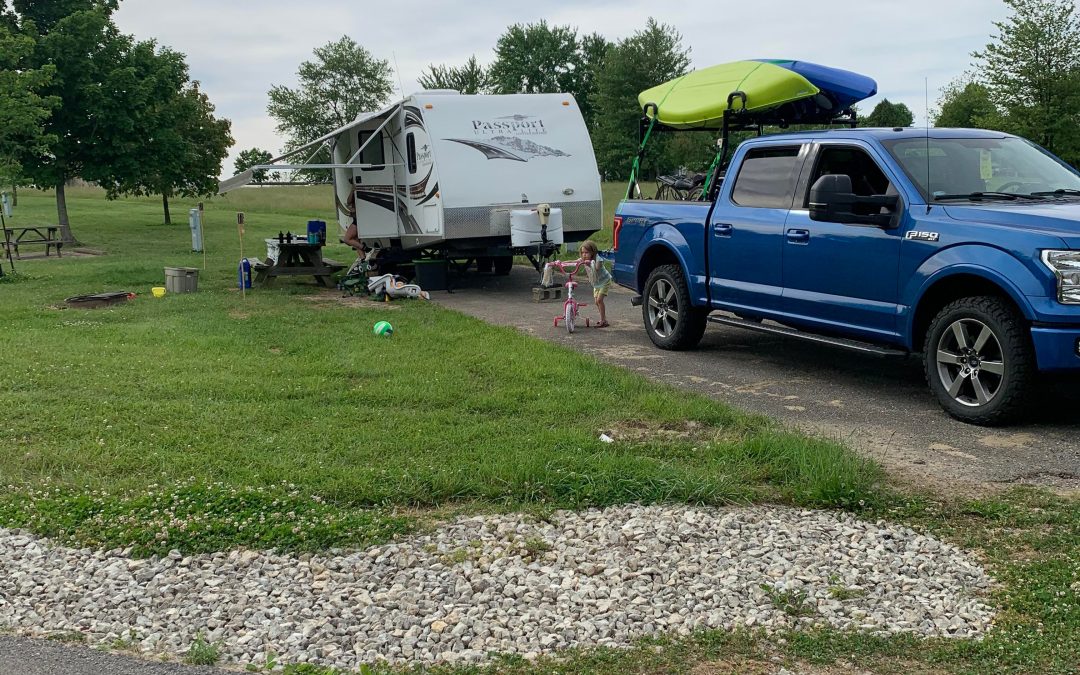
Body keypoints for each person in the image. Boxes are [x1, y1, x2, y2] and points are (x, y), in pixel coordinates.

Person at [579, 240, 611, 327]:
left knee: (599, 300)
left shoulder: (598, 259)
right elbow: (575, 261)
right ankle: (604, 319)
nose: (584, 255)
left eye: (586, 252)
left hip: (604, 281)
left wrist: (589, 263)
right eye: (582, 253)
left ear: (592, 252)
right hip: (596, 283)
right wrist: (562, 263)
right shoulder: (584, 259)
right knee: (597, 302)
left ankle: (603, 320)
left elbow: (597, 268)